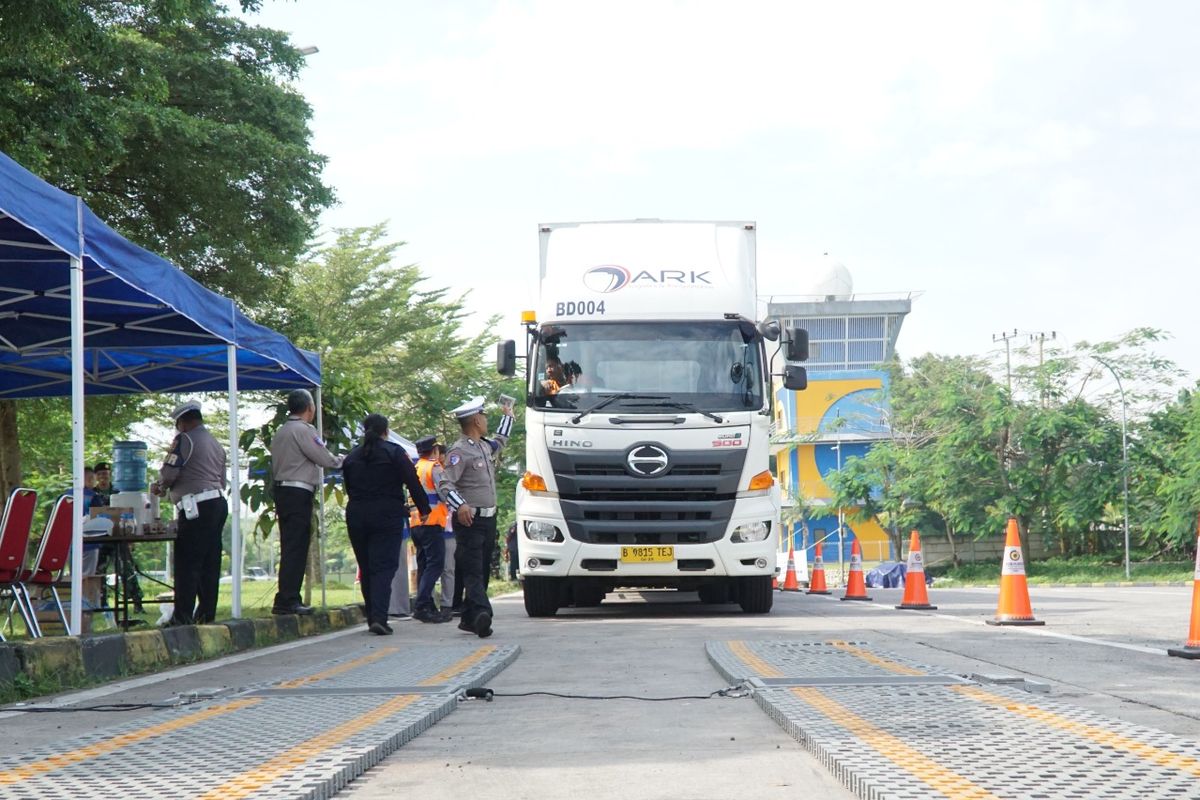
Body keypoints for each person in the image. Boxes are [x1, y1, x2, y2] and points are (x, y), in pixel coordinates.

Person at [342, 414, 430, 635]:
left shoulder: (352, 457)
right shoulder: (394, 453)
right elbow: (412, 481)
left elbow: (349, 488)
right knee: (384, 567)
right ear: (386, 431)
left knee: (367, 565)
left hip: (357, 514)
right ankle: (379, 617)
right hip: (386, 514)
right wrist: (424, 509)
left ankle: (373, 616)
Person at [437, 395, 513, 638]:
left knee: (481, 568)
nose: (485, 420)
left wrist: (507, 418)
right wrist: (460, 505)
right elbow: (445, 484)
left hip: (488, 519)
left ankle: (470, 619)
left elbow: (500, 441)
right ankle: (482, 613)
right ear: (476, 421)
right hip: (470, 521)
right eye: (483, 416)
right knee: (473, 571)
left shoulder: (482, 445)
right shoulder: (459, 452)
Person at [151, 399, 228, 626]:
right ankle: (206, 615)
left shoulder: (184, 440)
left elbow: (170, 472)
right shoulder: (215, 443)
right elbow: (221, 480)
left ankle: (182, 617)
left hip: (196, 507)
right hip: (216, 503)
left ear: (183, 422)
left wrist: (161, 486)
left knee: (187, 562)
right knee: (209, 562)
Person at [270, 388, 343, 616]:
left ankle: (287, 596)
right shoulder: (304, 430)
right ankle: (288, 599)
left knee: (289, 545)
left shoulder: (281, 431)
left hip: (283, 491)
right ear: (310, 409)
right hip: (297, 492)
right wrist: (342, 460)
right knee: (296, 546)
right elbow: (322, 456)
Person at [408, 436, 451, 623]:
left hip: (416, 523)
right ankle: (421, 604)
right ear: (434, 451)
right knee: (436, 565)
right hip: (432, 522)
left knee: (424, 565)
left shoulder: (415, 468)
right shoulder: (434, 468)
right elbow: (444, 493)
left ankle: (427, 607)